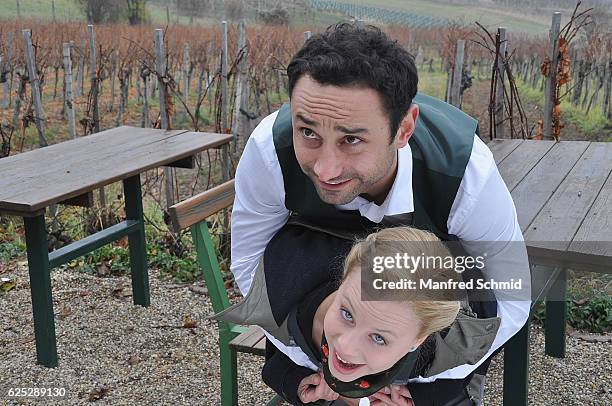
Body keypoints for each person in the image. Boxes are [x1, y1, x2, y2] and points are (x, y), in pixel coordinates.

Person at [230, 22, 531, 405]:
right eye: (308, 133)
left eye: (351, 140)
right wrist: (325, 366)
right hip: (317, 329)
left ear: (404, 128)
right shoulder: (270, 152)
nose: (325, 169)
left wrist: (403, 373)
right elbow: (251, 269)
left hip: (423, 348)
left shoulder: (466, 176)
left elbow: (510, 300)